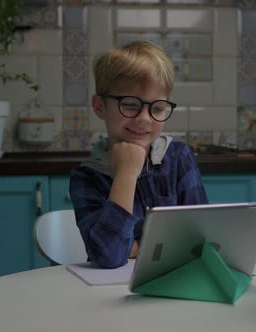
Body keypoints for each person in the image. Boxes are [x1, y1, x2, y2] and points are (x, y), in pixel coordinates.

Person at [69, 41, 209, 269]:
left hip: (174, 281)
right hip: (108, 293)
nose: (144, 118)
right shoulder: (87, 176)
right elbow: (109, 256)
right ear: (99, 106)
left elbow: (201, 240)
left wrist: (134, 248)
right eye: (131, 105)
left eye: (156, 109)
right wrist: (126, 173)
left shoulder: (178, 158)